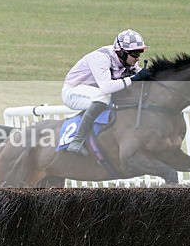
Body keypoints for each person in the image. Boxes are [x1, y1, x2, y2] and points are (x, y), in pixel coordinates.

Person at [61, 29, 152, 157]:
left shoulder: (126, 60)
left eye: (140, 53)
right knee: (104, 96)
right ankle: (77, 141)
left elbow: (140, 74)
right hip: (73, 92)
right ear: (121, 52)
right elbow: (106, 87)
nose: (138, 58)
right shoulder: (101, 58)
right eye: (135, 54)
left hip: (94, 92)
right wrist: (133, 79)